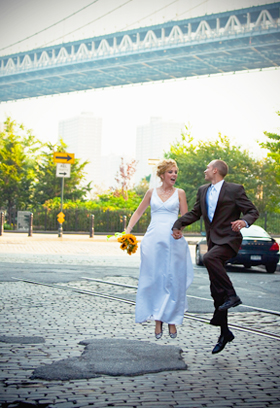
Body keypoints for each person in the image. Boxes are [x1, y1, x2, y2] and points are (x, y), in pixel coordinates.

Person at [172, 159, 259, 354]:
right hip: (213, 241)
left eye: (207, 168)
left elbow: (253, 211)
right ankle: (225, 332)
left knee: (209, 258)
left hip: (229, 239)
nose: (204, 170)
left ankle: (232, 295)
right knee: (216, 290)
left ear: (215, 170)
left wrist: (243, 222)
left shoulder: (235, 189)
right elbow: (195, 213)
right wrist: (178, 224)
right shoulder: (203, 190)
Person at [126, 159, 193, 339]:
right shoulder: (151, 192)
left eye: (176, 172)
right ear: (162, 175)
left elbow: (185, 217)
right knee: (155, 280)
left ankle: (172, 321)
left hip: (173, 240)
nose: (174, 175)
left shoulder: (180, 193)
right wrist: (128, 230)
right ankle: (158, 320)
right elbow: (138, 212)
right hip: (153, 240)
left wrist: (180, 229)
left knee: (173, 281)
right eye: (170, 172)